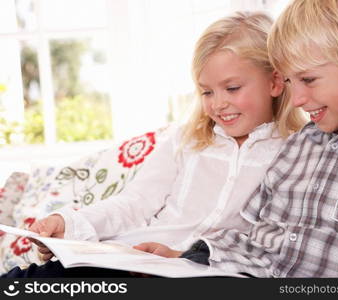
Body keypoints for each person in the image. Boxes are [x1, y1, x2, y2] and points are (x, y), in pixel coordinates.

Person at [1, 11, 306, 278]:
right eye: (207, 92)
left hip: (201, 272)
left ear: (275, 82)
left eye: (232, 88)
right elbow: (135, 202)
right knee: (33, 280)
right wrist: (68, 223)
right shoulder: (188, 139)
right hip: (129, 257)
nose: (218, 104)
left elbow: (272, 243)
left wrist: (183, 258)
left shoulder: (295, 153)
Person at [142, 0, 338, 277]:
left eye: (308, 80)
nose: (296, 99)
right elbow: (254, 240)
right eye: (289, 82)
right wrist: (184, 257)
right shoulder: (298, 146)